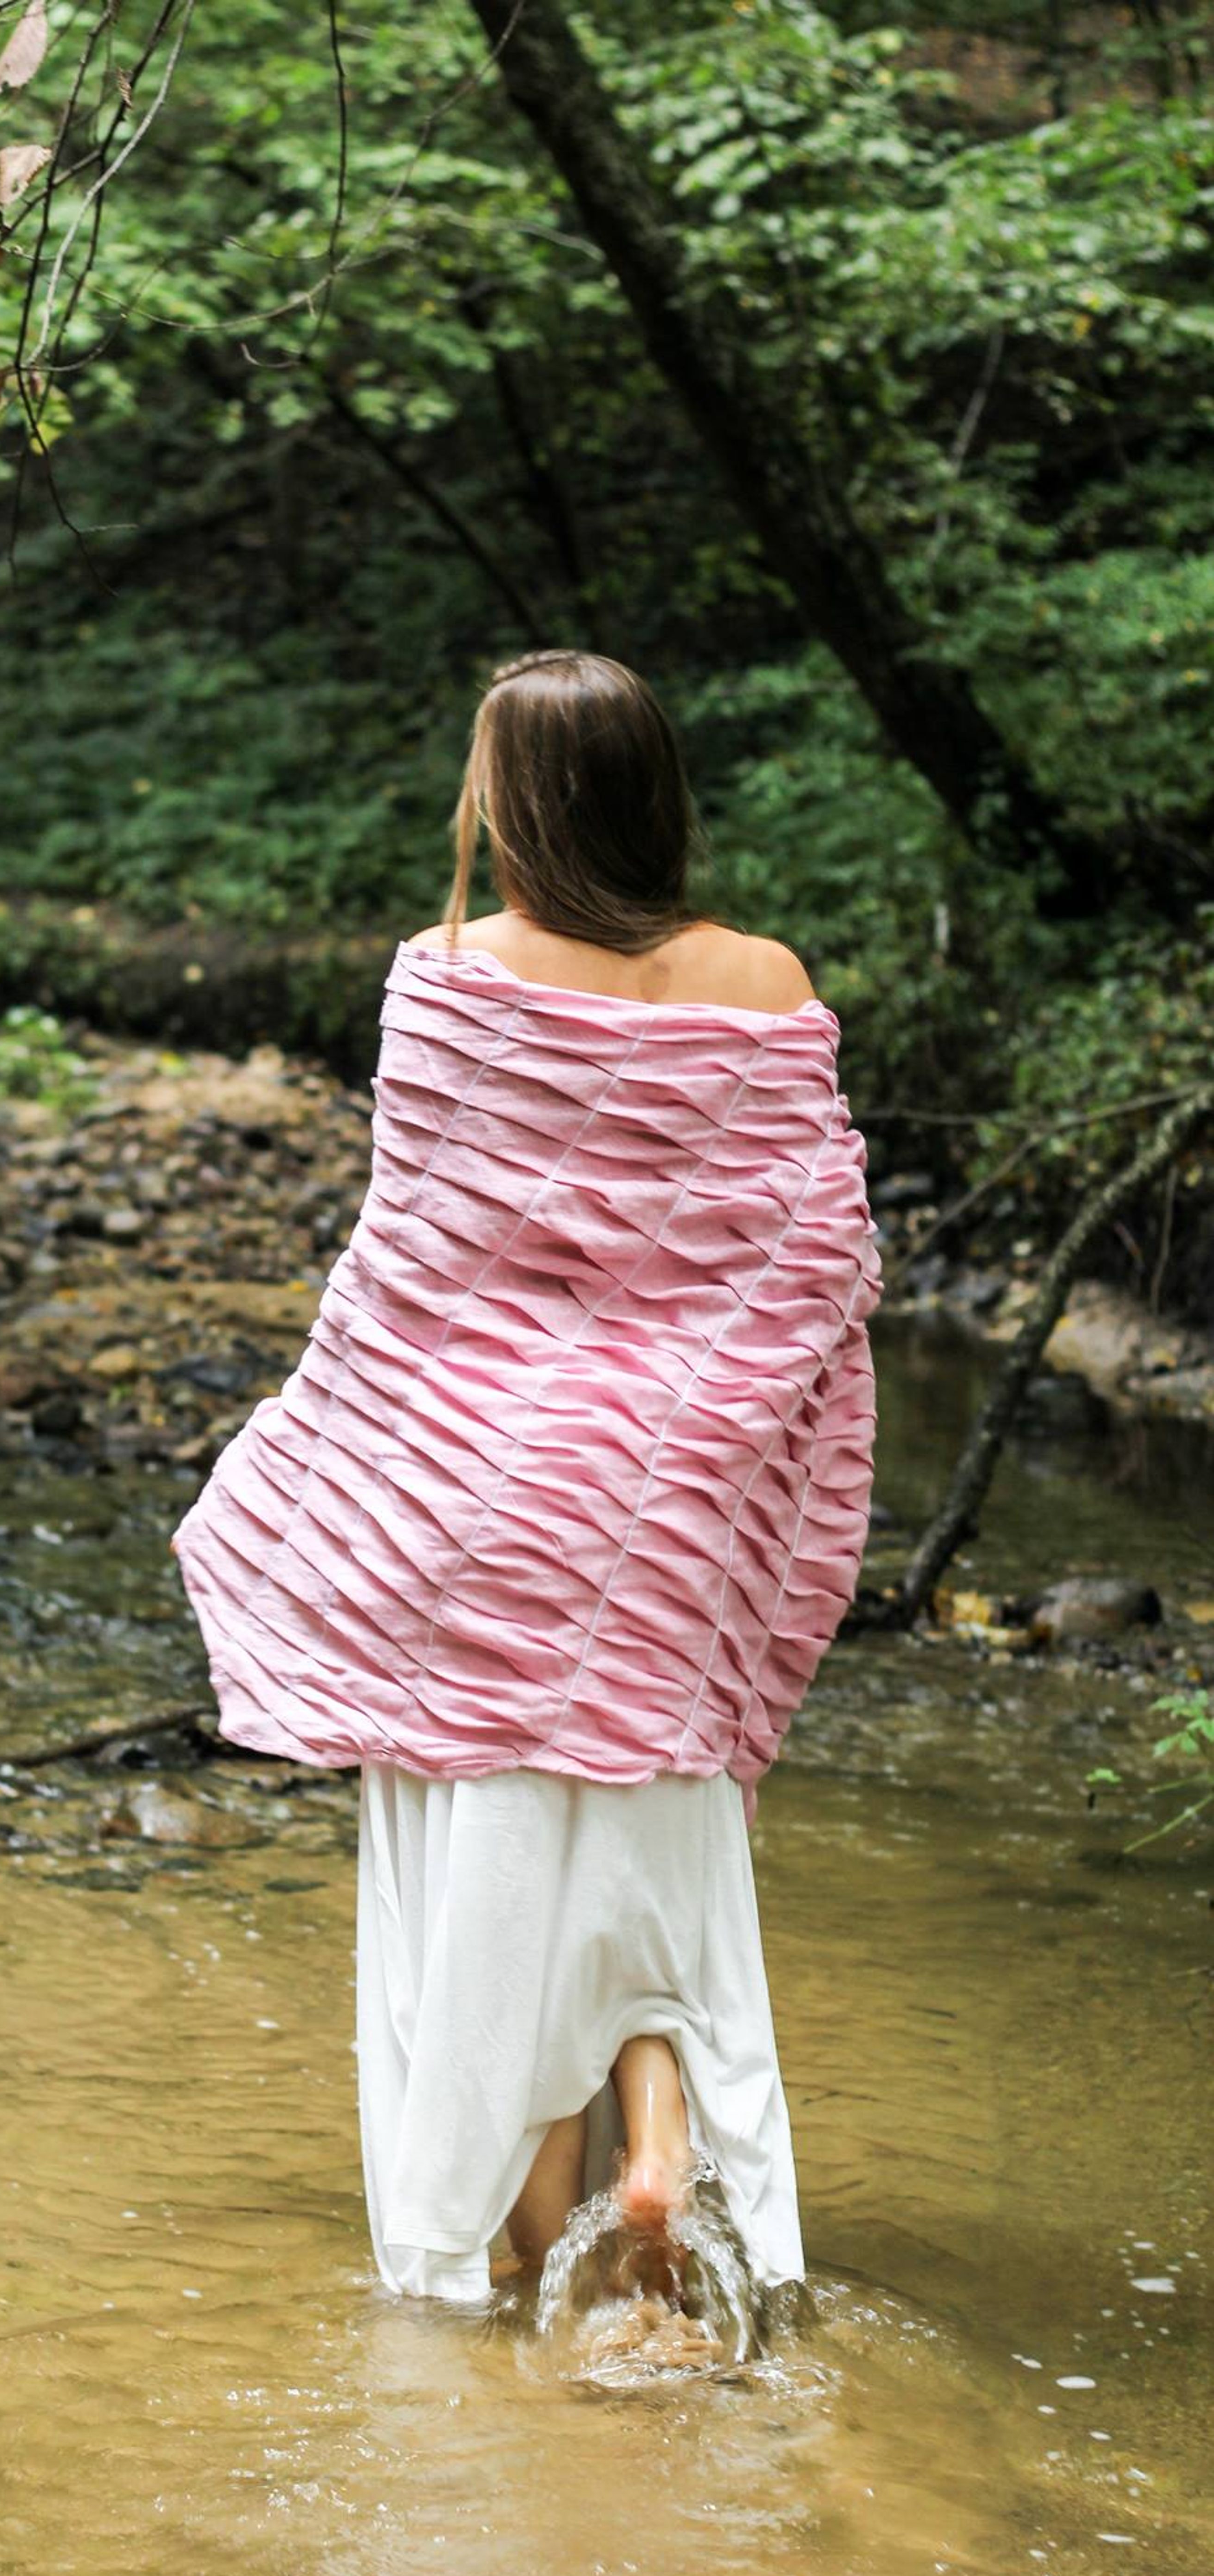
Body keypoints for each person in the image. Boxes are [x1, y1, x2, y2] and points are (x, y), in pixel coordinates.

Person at [171, 650, 880, 2310]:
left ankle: (508, 2246)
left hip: (480, 1505)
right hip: (673, 1497)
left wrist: (318, 1471)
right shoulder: (767, 981)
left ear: (511, 799)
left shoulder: (452, 973)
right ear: (654, 790)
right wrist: (713, 1447)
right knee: (660, 1862)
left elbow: (412, 1272)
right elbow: (821, 1262)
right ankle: (668, 2152)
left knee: (486, 1891)